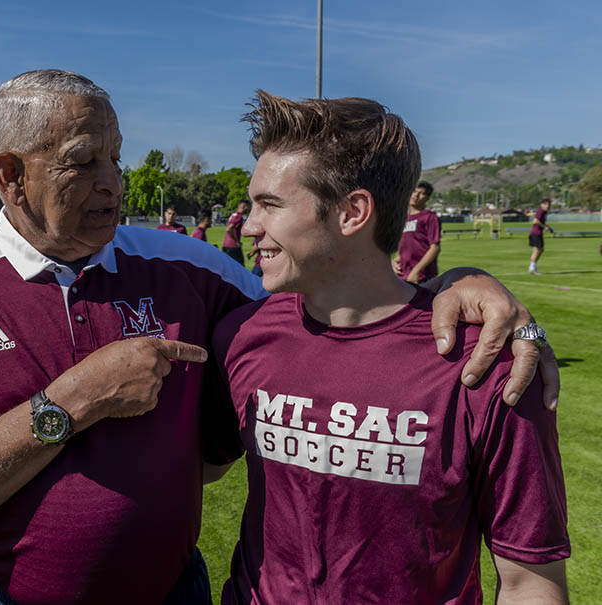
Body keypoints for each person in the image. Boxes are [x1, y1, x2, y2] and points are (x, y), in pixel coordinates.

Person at [0, 70, 556, 605]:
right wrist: (71, 401)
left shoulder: (192, 272)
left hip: (175, 593)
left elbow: (348, 296)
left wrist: (465, 285)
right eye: (83, 163)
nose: (113, 183)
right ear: (9, 174)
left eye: (116, 158)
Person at [212, 91, 569, 604]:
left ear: (353, 212)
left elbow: (528, 581)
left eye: (270, 205)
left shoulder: (491, 365)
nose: (249, 226)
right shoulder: (240, 334)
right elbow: (201, 468)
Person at [394, 180, 441, 283]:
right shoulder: (404, 218)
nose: (416, 195)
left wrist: (416, 270)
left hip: (422, 277)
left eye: (421, 193)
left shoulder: (430, 217)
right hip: (404, 275)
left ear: (427, 198)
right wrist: (394, 261)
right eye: (414, 191)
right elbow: (409, 248)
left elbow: (435, 248)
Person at [529, 198, 555, 275]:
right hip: (536, 233)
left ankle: (532, 267)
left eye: (549, 205)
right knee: (538, 250)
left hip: (536, 233)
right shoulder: (541, 211)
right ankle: (532, 268)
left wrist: (547, 227)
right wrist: (545, 227)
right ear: (542, 205)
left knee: (538, 250)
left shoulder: (544, 212)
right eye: (546, 204)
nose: (548, 206)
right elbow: (535, 221)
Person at [222, 199, 250, 264]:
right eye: (248, 207)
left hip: (225, 245)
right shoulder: (239, 216)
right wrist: (236, 241)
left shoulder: (233, 215)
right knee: (240, 267)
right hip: (233, 246)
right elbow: (229, 229)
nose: (248, 209)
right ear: (244, 206)